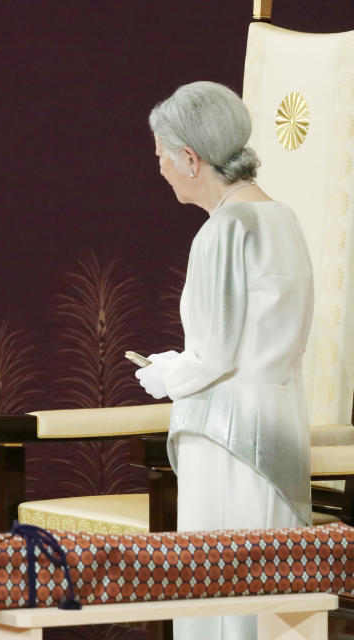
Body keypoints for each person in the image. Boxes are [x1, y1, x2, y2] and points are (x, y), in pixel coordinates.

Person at [136, 81, 314, 640]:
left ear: (191, 158)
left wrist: (166, 374)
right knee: (275, 591)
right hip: (282, 423)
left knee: (221, 593)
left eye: (162, 155)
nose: (160, 167)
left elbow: (212, 354)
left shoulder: (223, 231)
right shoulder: (282, 217)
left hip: (230, 437)